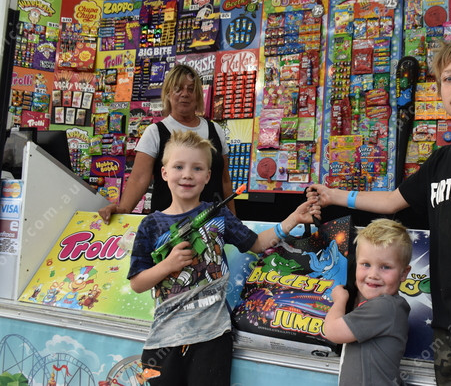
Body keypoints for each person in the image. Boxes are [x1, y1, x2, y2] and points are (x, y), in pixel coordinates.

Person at [308, 36, 451, 385]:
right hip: (448, 334)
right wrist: (334, 195)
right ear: (439, 90)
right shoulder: (440, 161)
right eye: (449, 78)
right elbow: (392, 201)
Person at [130, 130, 319, 386]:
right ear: (164, 173)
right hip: (164, 341)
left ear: (208, 176)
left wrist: (293, 219)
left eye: (197, 168)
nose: (187, 174)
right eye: (178, 166)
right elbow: (138, 283)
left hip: (213, 337)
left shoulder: (217, 215)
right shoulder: (151, 225)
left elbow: (256, 244)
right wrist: (168, 265)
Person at [99, 63, 234, 223]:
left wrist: (234, 221)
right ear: (168, 93)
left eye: (191, 89)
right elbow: (138, 179)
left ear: (198, 95)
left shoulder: (216, 130)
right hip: (169, 227)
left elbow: (225, 181)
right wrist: (123, 209)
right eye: (178, 89)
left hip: (213, 225)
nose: (185, 94)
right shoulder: (154, 132)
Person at [324, 218, 412, 386]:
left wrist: (340, 300)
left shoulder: (384, 307)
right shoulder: (382, 305)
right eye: (365, 264)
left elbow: (332, 331)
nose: (373, 274)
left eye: (385, 267)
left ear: (403, 273)